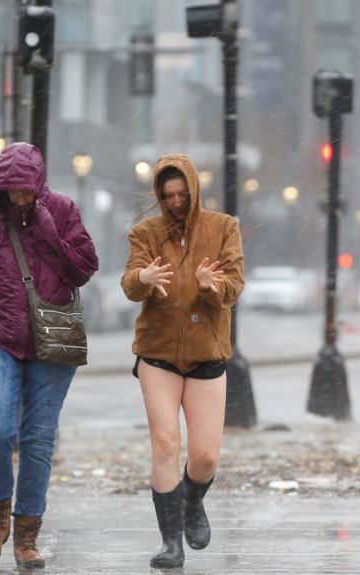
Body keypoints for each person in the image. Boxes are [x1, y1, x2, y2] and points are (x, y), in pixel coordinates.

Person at [0, 142, 98, 569]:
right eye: (13, 191)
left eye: (27, 191)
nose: (21, 199)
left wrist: (47, 230)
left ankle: (27, 537)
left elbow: (84, 267)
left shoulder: (61, 211)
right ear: (1, 188)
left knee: (37, 440)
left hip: (52, 341)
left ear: (40, 185)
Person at [120, 154, 244, 568]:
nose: (174, 202)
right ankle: (171, 542)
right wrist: (143, 279)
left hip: (207, 351)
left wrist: (211, 285)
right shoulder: (145, 232)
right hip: (157, 352)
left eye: (181, 194)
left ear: (193, 190)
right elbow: (129, 282)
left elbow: (235, 286)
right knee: (166, 443)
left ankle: (192, 501)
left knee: (206, 456)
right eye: (167, 195)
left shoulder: (223, 227)